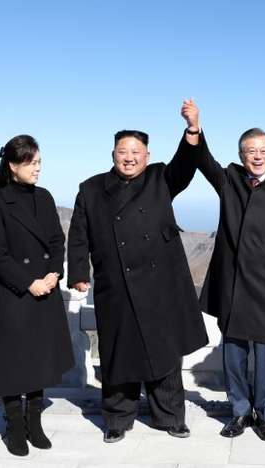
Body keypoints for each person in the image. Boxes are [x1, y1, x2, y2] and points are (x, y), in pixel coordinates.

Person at [66, 107, 208, 443]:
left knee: (165, 353)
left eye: (136, 153)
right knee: (118, 353)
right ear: (113, 154)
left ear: (147, 155)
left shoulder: (161, 177)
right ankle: (117, 420)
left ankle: (171, 417)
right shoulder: (91, 189)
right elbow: (78, 233)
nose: (129, 158)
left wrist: (192, 129)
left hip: (161, 286)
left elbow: (186, 164)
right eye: (122, 152)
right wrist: (78, 272)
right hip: (115, 283)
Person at [185, 100, 265, 441]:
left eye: (263, 150)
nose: (257, 156)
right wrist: (195, 127)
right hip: (233, 284)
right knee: (234, 354)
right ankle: (239, 412)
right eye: (250, 150)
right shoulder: (230, 180)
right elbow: (203, 160)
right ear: (241, 155)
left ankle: (264, 416)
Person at [0, 135, 75, 456]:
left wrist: (52, 273)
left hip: (45, 289)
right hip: (13, 293)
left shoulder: (44, 198)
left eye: (39, 162)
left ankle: (34, 421)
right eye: (31, 163)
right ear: (12, 165)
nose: (38, 169)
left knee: (38, 359)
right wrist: (28, 282)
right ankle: (15, 424)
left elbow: (56, 240)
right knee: (12, 363)